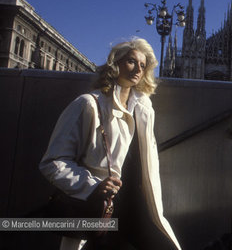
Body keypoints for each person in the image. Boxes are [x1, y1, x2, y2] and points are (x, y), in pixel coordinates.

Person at [39, 38, 181, 250]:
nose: (138, 70)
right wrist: (93, 186)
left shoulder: (143, 110)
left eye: (143, 65)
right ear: (116, 63)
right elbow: (53, 162)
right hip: (101, 210)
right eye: (131, 61)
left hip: (140, 208)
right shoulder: (89, 104)